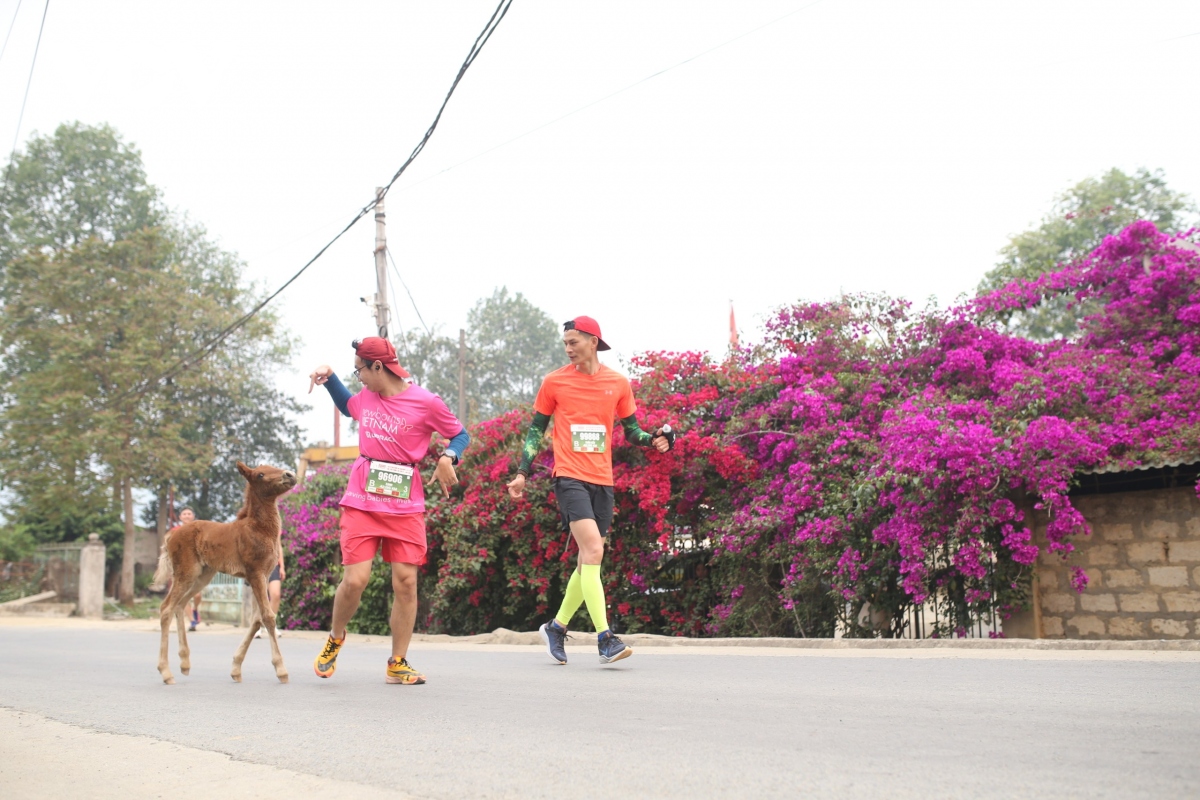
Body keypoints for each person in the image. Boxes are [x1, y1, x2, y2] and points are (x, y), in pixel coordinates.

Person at [506, 316, 673, 665]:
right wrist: (522, 472)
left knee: (587, 561)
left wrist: (654, 438)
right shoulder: (554, 382)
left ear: (593, 341)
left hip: (603, 480)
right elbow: (536, 430)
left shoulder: (618, 383)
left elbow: (632, 432)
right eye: (565, 343)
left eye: (574, 342)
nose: (568, 349)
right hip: (568, 477)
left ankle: (557, 626)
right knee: (594, 550)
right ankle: (605, 638)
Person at [308, 337, 469, 685]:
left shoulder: (426, 402)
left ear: (378, 367)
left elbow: (460, 435)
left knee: (406, 582)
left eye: (360, 370)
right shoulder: (366, 398)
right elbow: (347, 405)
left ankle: (398, 661)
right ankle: (336, 638)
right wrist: (330, 377)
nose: (359, 377)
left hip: (405, 504)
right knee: (355, 580)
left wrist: (446, 456)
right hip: (362, 500)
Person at [172, 507, 202, 632]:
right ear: (180, 517)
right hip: (180, 567)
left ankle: (195, 609)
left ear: (193, 516)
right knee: (183, 594)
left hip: (197, 565)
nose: (186, 516)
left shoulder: (199, 530)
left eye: (189, 513)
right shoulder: (175, 531)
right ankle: (192, 621)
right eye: (184, 514)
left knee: (197, 595)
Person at [255, 543, 285, 639]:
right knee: (261, 596)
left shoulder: (276, 527)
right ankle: (258, 626)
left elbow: (278, 545)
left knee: (276, 594)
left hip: (273, 564)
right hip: (259, 564)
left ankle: (272, 624)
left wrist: (282, 567)